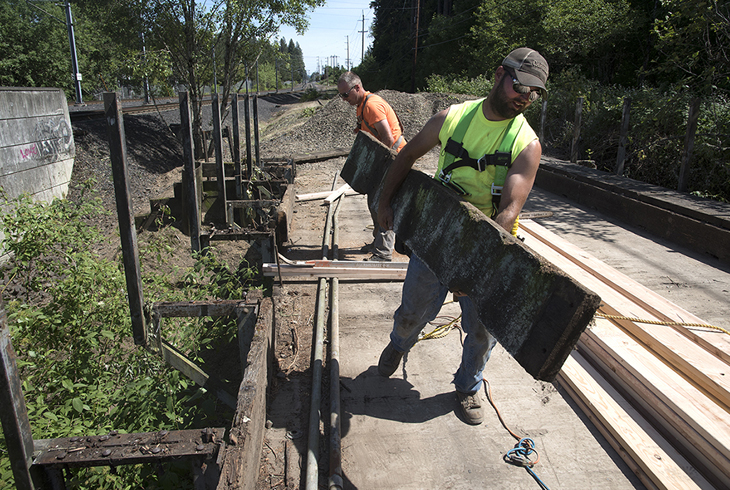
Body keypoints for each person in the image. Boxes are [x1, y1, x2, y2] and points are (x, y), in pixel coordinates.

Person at [375, 48, 549, 425]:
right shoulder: (452, 118)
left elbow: (508, 213)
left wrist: (476, 267)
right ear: (499, 74)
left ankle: (468, 387)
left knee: (483, 330)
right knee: (413, 310)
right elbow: (405, 157)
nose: (526, 97)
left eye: (534, 94)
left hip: (491, 244)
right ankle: (398, 344)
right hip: (438, 233)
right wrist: (384, 200)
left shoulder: (526, 143)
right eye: (521, 86)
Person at [337, 71, 406, 262]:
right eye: (340, 95)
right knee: (373, 202)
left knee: (382, 204)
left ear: (357, 88)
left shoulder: (372, 106)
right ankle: (378, 242)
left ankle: (383, 252)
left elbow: (388, 139)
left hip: (394, 160)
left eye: (345, 94)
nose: (343, 99)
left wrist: (383, 169)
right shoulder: (362, 104)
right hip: (386, 160)